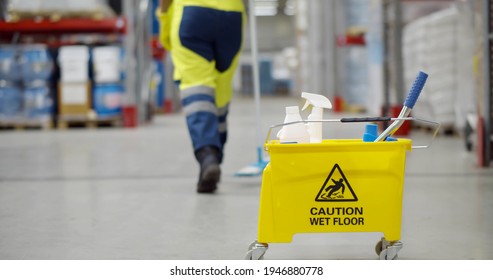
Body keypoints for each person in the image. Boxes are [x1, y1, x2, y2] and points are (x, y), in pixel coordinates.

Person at [157, 0, 245, 193]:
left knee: (197, 88)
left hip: (192, 13)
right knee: (220, 94)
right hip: (232, 17)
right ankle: (216, 156)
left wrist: (164, 17)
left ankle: (208, 154)